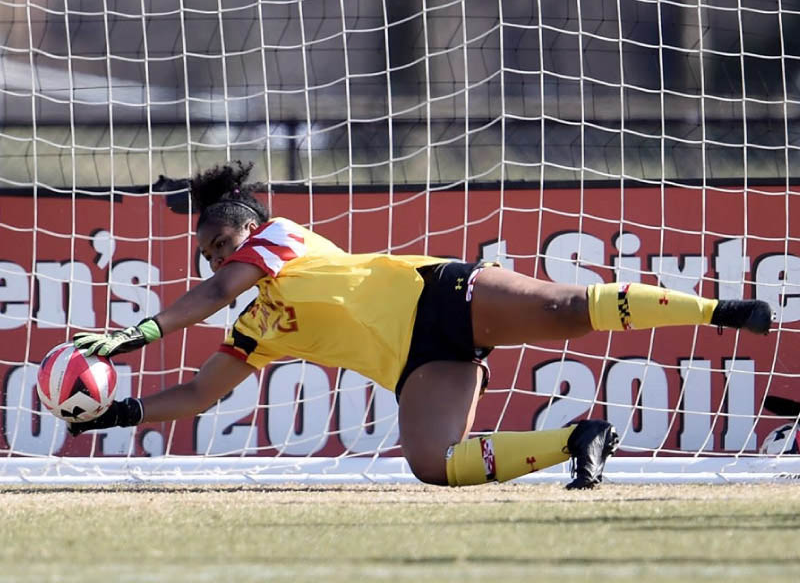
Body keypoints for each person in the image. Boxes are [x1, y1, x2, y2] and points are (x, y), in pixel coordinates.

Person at [71, 161, 773, 490]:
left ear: (250, 228)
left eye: (222, 241)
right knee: (432, 465)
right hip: (419, 366)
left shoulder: (279, 236)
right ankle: (579, 440)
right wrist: (117, 412)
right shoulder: (259, 323)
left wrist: (138, 336)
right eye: (207, 251)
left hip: (436, 294)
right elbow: (199, 395)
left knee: (563, 310)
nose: (217, 256)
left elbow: (220, 286)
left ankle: (721, 310)